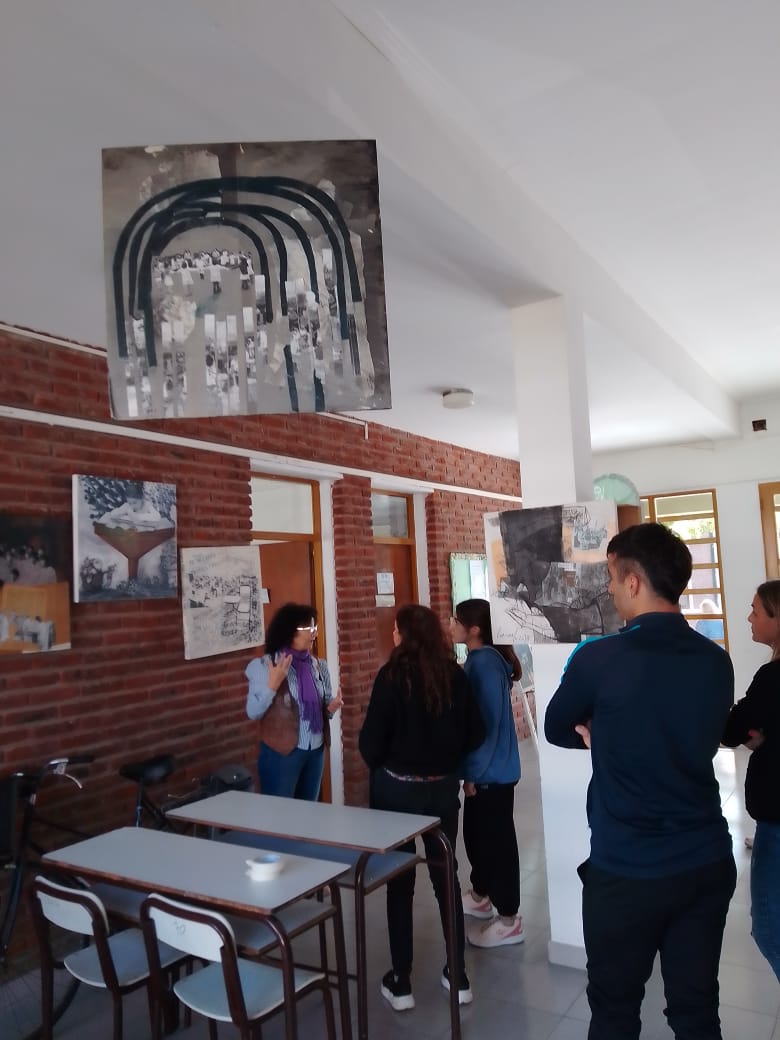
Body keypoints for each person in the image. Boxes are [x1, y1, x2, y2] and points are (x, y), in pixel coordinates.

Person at [545, 522, 736, 1040]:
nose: (609, 589)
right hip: (705, 860)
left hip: (627, 869)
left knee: (615, 1012)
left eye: (612, 577)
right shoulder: (716, 661)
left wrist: (601, 735)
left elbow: (557, 727)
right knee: (697, 1012)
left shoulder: (598, 658)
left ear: (633, 582)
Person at [359, 604, 485, 1013]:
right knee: (445, 876)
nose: (393, 636)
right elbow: (476, 732)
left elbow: (370, 745)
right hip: (441, 791)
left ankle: (401, 981)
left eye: (397, 630)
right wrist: (446, 759)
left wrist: (390, 764)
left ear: (406, 636)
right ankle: (458, 976)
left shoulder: (390, 677)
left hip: (396, 793)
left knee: (400, 882)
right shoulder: (453, 676)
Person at [450, 598, 524, 947]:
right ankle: (482, 895)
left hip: (491, 774)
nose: (451, 626)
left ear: (474, 629)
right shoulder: (483, 660)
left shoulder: (483, 665)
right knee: (477, 838)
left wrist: (473, 775)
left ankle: (509, 918)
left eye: (456, 620)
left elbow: (486, 727)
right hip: (491, 771)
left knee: (497, 844)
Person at [721, 579, 780, 981]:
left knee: (770, 930)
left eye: (756, 611)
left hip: (777, 819)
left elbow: (732, 728)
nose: (749, 618)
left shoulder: (772, 677)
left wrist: (755, 736)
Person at [245, 603, 342, 801]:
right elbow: (253, 712)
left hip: (315, 750)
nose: (314, 633)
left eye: (315, 627)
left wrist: (330, 708)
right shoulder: (265, 665)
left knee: (308, 811)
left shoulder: (318, 665)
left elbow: (324, 706)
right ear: (289, 631)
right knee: (279, 814)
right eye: (309, 628)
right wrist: (272, 685)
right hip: (281, 753)